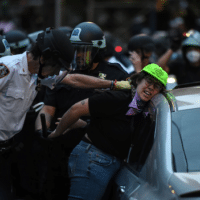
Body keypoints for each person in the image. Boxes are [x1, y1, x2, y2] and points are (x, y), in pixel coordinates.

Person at [34, 21, 129, 199]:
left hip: (94, 161)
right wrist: (42, 127)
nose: (78, 56)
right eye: (74, 50)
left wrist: (84, 124)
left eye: (83, 51)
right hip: (58, 156)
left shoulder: (115, 76)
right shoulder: (63, 74)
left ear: (98, 50)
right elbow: (48, 108)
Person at [48, 63, 168, 200]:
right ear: (139, 79)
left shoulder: (140, 107)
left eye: (157, 86)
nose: (151, 87)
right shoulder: (121, 97)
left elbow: (116, 124)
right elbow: (76, 109)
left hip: (107, 163)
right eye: (149, 82)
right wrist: (57, 132)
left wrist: (85, 124)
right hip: (93, 161)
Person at [0, 27, 74, 200]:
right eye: (56, 67)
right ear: (42, 58)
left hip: (8, 150)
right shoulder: (8, 68)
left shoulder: (38, 74)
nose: (56, 73)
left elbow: (73, 79)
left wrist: (111, 84)